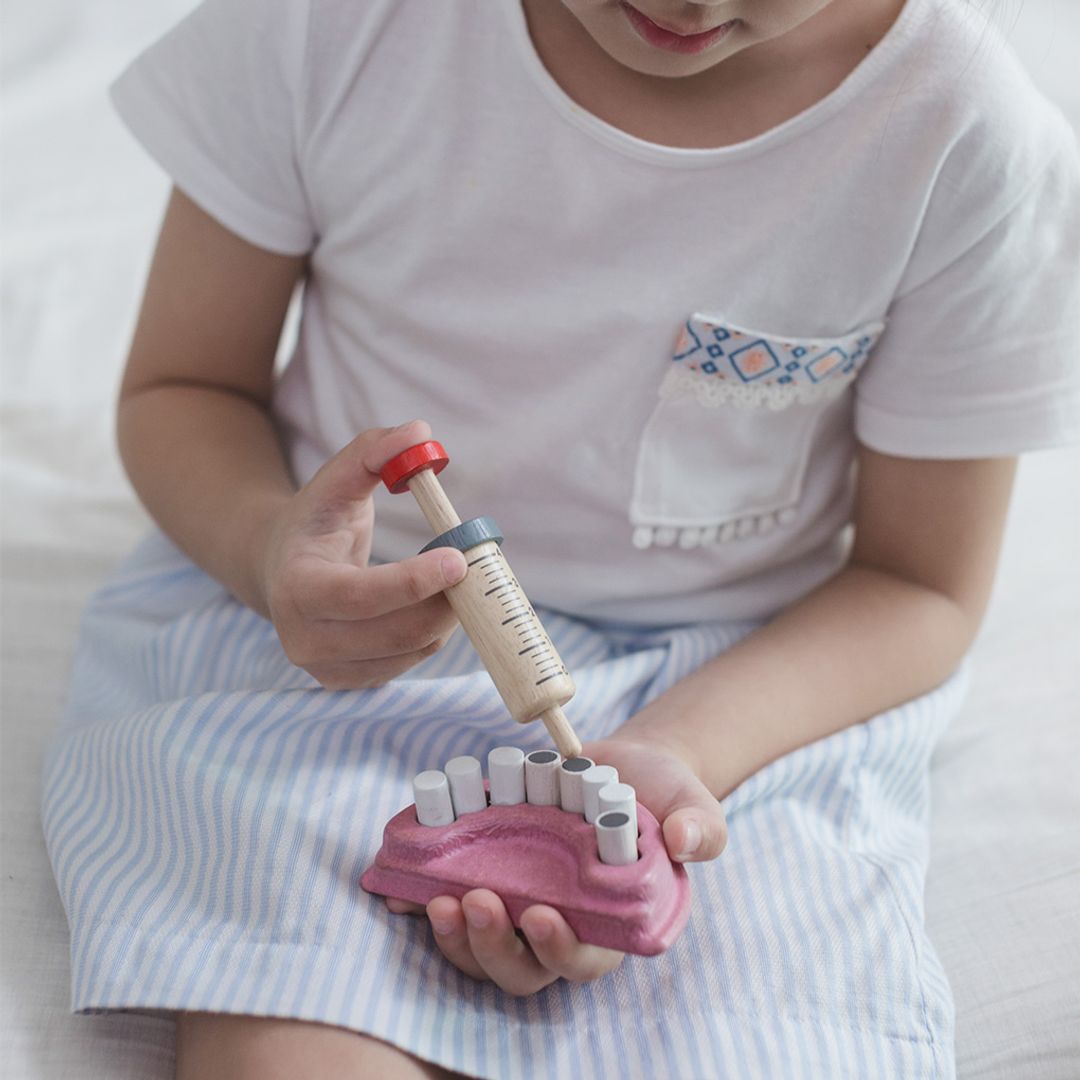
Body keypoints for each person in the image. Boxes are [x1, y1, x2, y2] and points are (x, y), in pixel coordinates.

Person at [42, 0, 1079, 1076]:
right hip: (339, 639)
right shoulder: (330, 26)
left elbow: (919, 587)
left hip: (739, 697)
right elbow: (186, 388)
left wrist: (683, 753)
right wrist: (270, 555)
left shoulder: (961, 135)